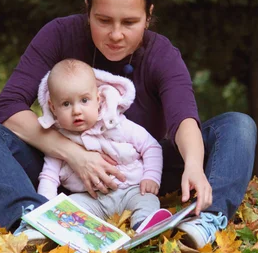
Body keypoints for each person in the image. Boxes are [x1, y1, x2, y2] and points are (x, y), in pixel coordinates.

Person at [0, 0, 257, 250]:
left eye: (130, 22)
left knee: (238, 125)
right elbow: (8, 108)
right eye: (103, 20)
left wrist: (192, 163)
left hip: (139, 173)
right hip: (60, 173)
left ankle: (205, 220)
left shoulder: (161, 53)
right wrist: (75, 155)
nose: (116, 35)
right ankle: (33, 221)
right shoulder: (59, 35)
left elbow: (183, 118)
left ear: (148, 15)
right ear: (87, 10)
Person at [35, 58, 172, 234]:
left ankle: (143, 224)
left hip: (131, 189)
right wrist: (45, 209)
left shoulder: (117, 124)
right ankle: (68, 231)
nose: (77, 110)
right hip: (91, 199)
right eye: (66, 104)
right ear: (53, 108)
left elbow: (151, 146)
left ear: (98, 99)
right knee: (70, 207)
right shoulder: (59, 141)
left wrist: (151, 177)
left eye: (84, 100)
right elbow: (49, 177)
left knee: (148, 200)